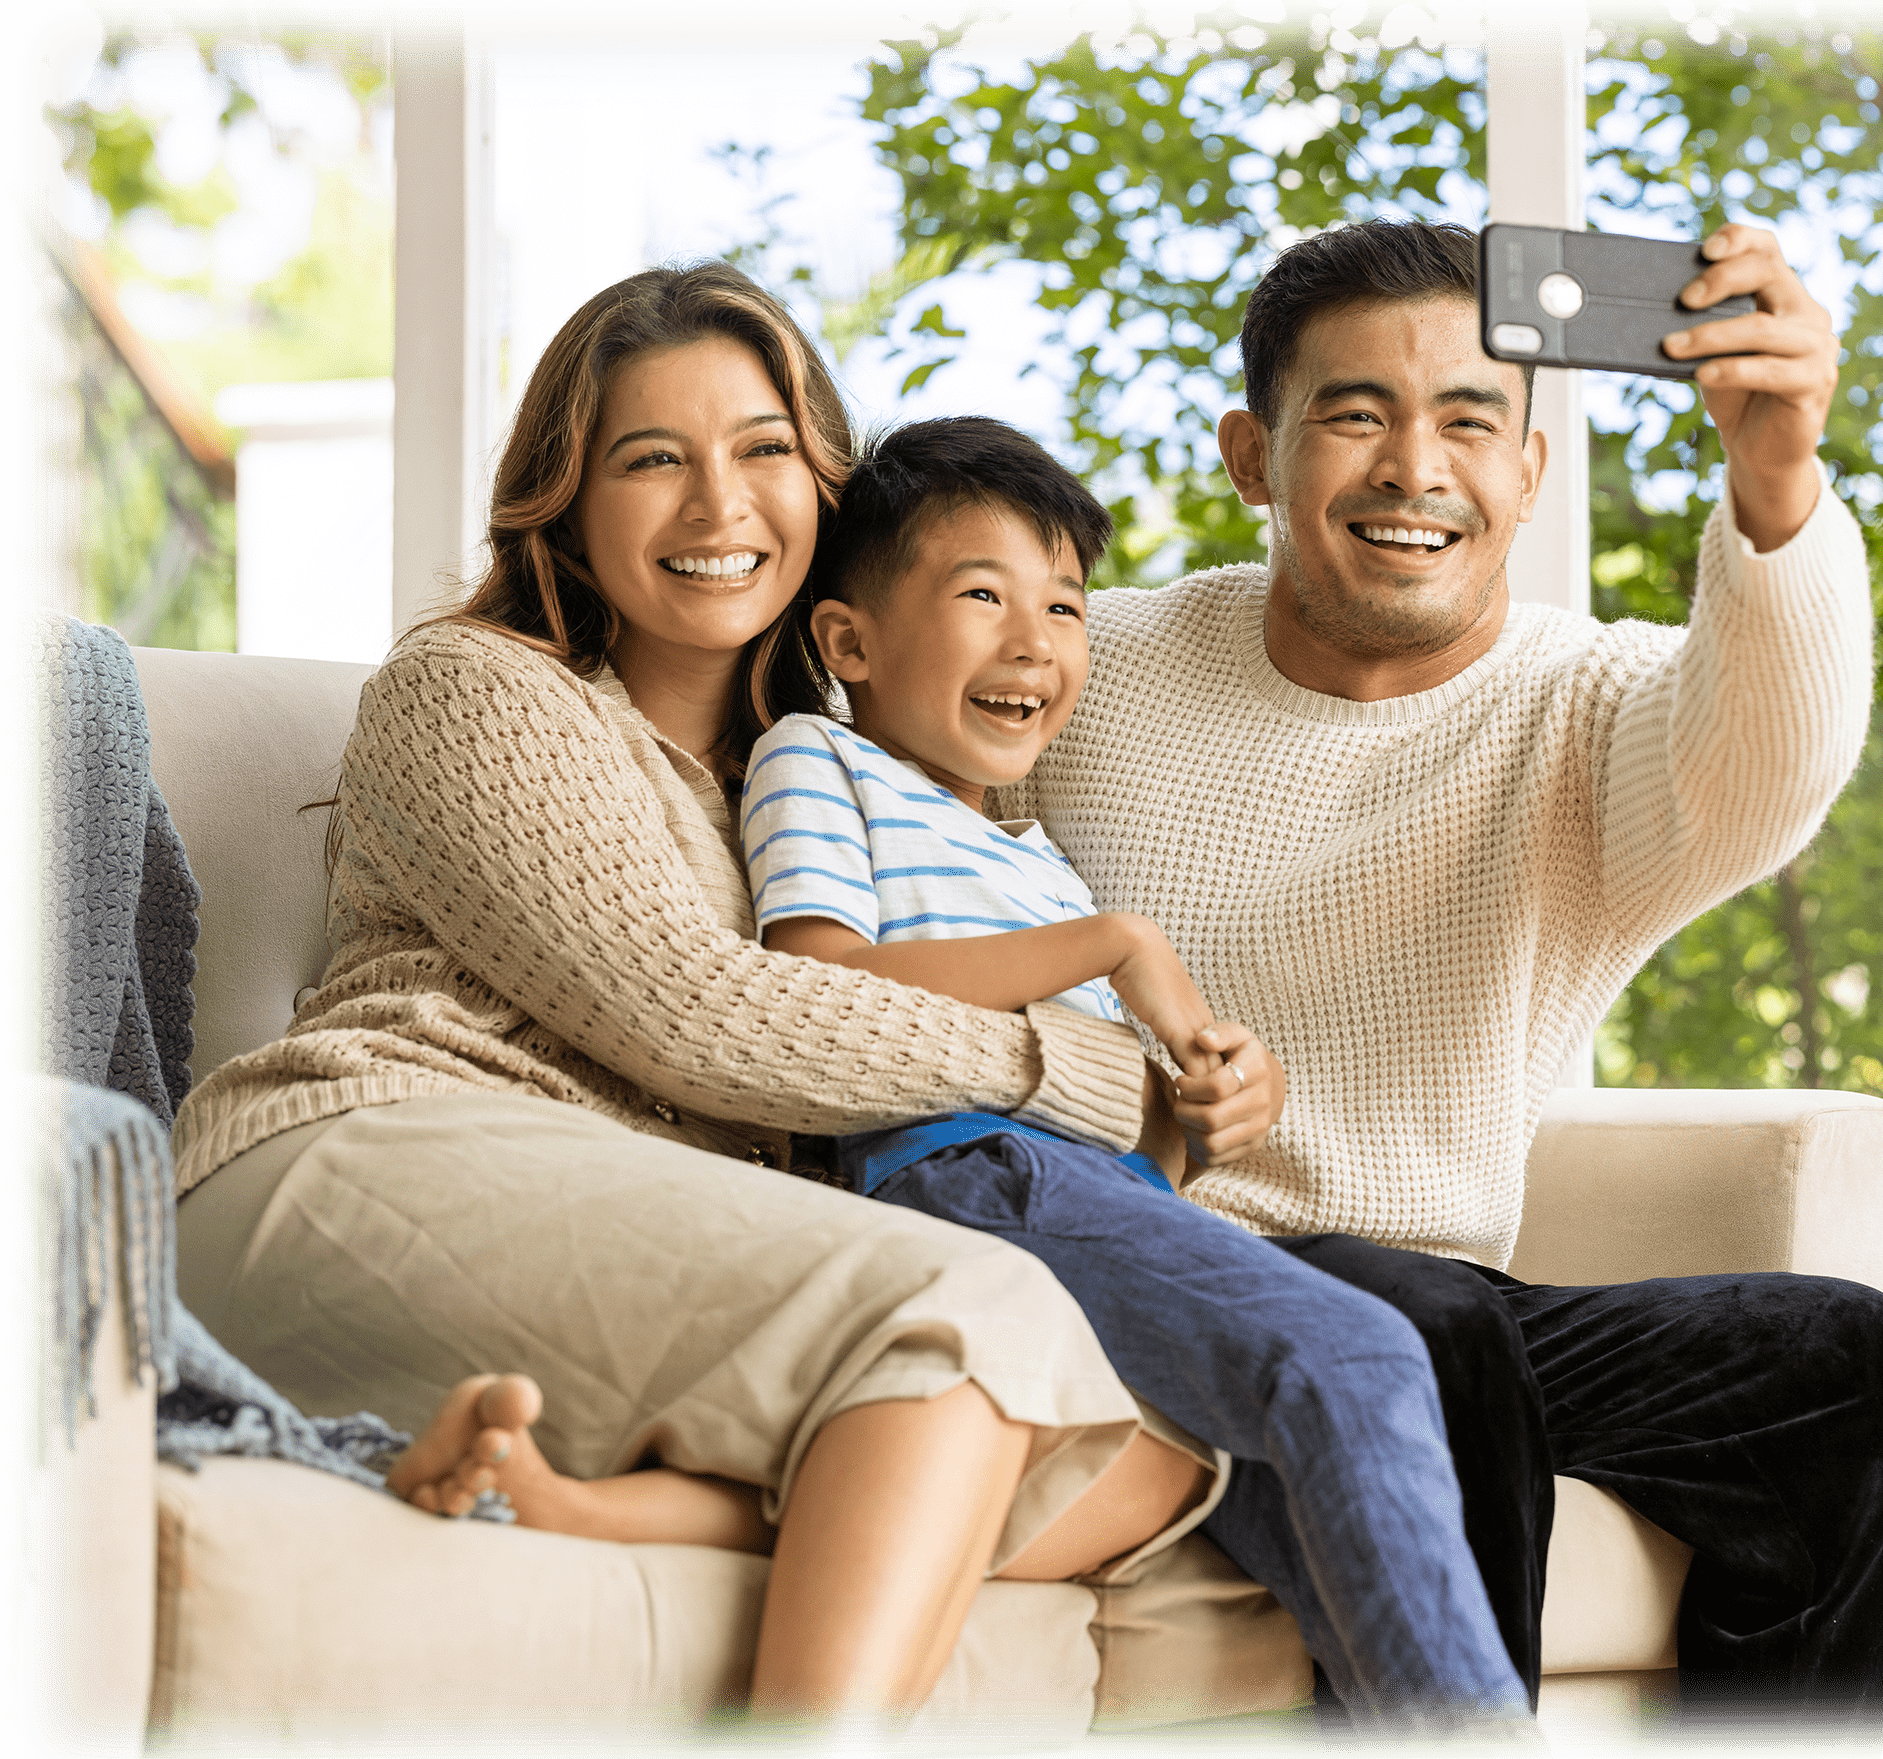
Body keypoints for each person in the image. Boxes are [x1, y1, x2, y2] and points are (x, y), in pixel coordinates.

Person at [168, 261, 1239, 1750]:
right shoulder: (479, 688)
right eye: (652, 458)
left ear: (827, 487)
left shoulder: (830, 798)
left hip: (620, 1241)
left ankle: (580, 1506)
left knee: (1141, 1460)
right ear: (565, 497)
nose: (717, 505)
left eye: (762, 451)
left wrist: (1181, 1111)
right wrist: (1088, 1063)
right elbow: (708, 1021)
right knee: (974, 1317)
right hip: (369, 1158)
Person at [998, 218, 1883, 1739]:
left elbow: (1768, 766)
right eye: (1355, 414)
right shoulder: (1091, 665)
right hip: (1151, 1287)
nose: (1412, 467)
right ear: (1256, 456)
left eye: (1466, 421)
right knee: (1429, 1333)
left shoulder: (1583, 708)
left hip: (1446, 1298)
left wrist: (1775, 477)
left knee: (1856, 1367)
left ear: (1531, 468)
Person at [738, 414, 1533, 1739]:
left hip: (1080, 1195)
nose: (1034, 641)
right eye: (982, 594)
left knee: (1292, 1491)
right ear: (850, 643)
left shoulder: (1035, 850)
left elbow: (1126, 1155)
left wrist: (1203, 1119)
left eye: (1064, 606)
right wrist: (1119, 941)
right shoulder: (822, 760)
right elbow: (822, 989)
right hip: (955, 1177)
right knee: (1354, 1351)